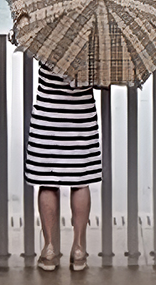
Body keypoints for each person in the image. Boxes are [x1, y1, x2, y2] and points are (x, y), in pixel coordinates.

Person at [26, 62, 102, 271]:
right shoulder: (92, 38)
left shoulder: (46, 35)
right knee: (80, 181)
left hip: (47, 115)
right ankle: (78, 249)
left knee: (48, 182)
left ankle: (49, 249)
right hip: (81, 117)